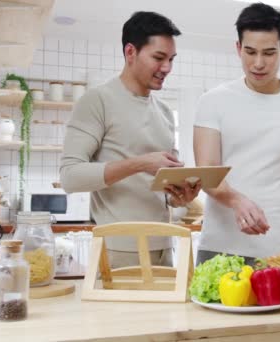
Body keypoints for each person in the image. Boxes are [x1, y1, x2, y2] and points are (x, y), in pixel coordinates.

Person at [193, 3, 280, 265]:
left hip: (272, 250)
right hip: (218, 247)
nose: (258, 63)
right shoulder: (212, 101)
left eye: (269, 53)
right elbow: (207, 171)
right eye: (250, 52)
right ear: (238, 49)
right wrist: (237, 201)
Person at [60, 11, 201, 269]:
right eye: (158, 58)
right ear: (130, 52)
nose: (167, 68)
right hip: (117, 252)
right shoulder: (97, 101)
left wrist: (179, 197)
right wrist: (140, 163)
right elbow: (70, 175)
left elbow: (159, 189)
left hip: (163, 249)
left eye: (171, 59)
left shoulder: (166, 112)